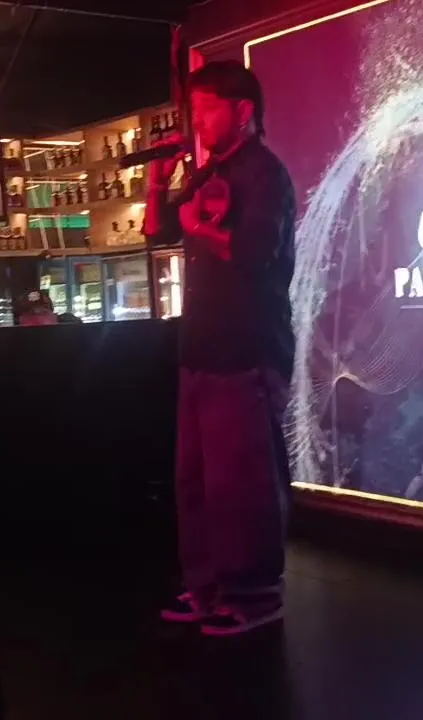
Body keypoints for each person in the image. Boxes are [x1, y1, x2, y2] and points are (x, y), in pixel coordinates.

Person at [144, 60, 297, 636]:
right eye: (196, 111)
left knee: (243, 484)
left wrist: (199, 227)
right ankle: (207, 587)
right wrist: (158, 187)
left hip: (247, 346)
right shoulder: (208, 173)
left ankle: (254, 595)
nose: (199, 122)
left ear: (243, 111)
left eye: (207, 110)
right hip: (201, 347)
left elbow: (255, 253)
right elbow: (158, 233)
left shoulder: (266, 174)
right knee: (198, 482)